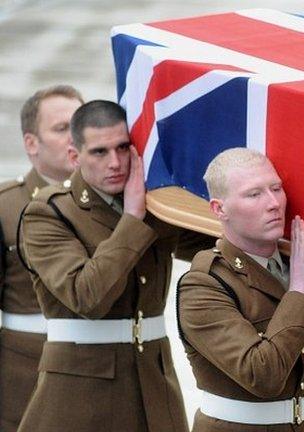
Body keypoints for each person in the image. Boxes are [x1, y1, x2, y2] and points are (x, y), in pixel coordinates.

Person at [18, 100, 212, 432]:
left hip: (153, 381)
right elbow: (86, 297)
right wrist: (132, 218)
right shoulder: (49, 213)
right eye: (100, 152)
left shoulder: (157, 208)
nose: (116, 163)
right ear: (75, 157)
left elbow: (222, 237)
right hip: (81, 391)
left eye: (124, 148)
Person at [177, 147, 304, 432]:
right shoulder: (204, 284)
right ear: (220, 209)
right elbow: (263, 374)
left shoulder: (303, 264)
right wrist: (298, 293)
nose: (273, 203)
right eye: (253, 194)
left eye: (276, 188)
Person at [0, 84, 83, 432]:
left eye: (79, 126)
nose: (74, 138)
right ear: (31, 143)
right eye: (62, 128)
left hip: (104, 375)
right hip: (26, 375)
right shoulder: (5, 207)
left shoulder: (119, 203)